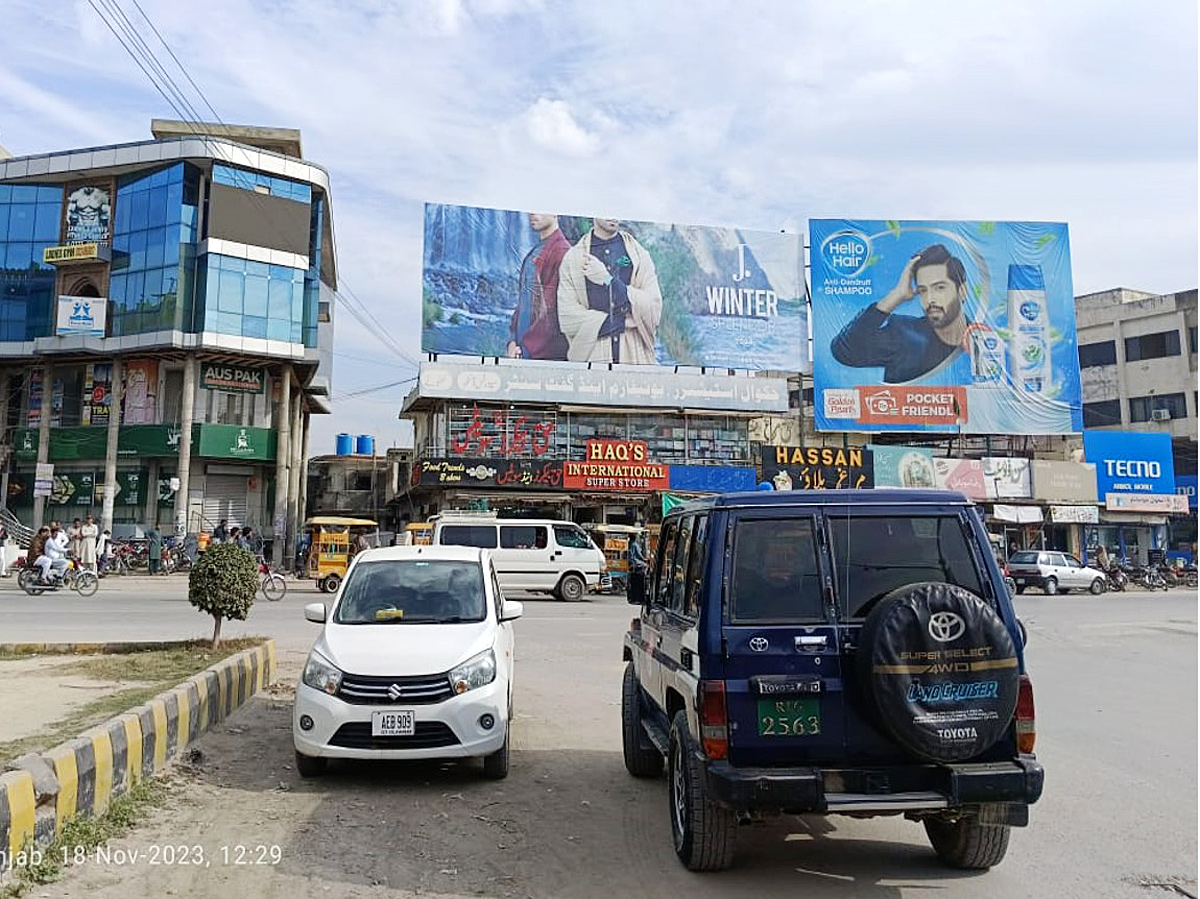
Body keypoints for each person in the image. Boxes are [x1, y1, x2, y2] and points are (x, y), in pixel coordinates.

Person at [831, 243, 972, 383]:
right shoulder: (904, 335)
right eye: (922, 290)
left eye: (939, 288)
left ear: (962, 291)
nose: (930, 299)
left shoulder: (981, 341)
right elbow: (844, 351)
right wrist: (896, 296)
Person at [556, 218, 663, 364]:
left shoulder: (638, 255)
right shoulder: (573, 259)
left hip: (634, 356)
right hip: (593, 360)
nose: (612, 216)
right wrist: (621, 322)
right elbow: (567, 317)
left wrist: (608, 280)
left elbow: (653, 306)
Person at [506, 214, 571, 361]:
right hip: (521, 351)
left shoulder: (561, 252)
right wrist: (512, 341)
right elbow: (523, 301)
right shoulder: (538, 250)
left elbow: (551, 313)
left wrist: (526, 350)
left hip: (543, 356)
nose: (533, 213)